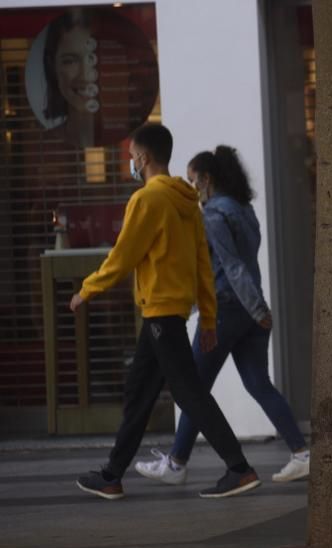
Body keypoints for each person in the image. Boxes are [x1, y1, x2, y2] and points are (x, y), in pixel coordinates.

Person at [72, 123, 261, 500]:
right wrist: (207, 317)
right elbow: (202, 266)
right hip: (168, 312)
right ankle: (112, 474)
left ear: (142, 157)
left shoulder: (148, 200)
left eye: (131, 156)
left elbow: (123, 256)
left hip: (159, 311)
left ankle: (239, 469)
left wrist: (87, 290)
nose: (130, 162)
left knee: (190, 394)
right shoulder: (187, 201)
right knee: (139, 392)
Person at [133, 146, 310, 485]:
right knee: (258, 383)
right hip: (251, 309)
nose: (190, 186)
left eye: (191, 180)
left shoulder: (213, 214)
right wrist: (258, 309)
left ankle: (177, 463)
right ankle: (301, 454)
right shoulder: (244, 210)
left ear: (206, 178)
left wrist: (253, 309)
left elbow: (231, 266)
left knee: (194, 389)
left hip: (229, 308)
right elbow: (247, 263)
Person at [41, 9, 100, 147]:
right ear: (52, 67)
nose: (85, 74)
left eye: (93, 58)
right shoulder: (44, 145)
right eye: (70, 61)